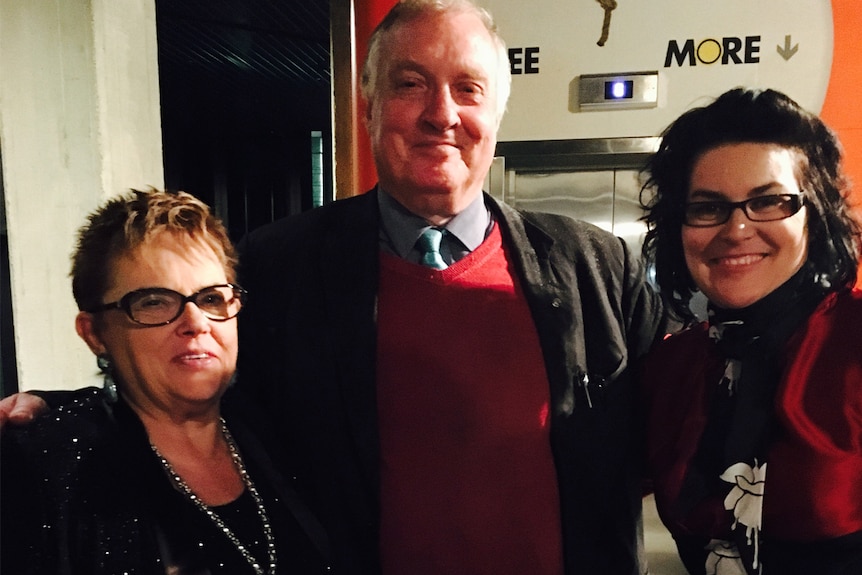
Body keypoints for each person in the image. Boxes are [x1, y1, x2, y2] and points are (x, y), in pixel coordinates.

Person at [234, 1, 670, 574]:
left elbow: (670, 441)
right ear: (369, 106)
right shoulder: (274, 269)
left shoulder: (600, 268)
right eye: (411, 83)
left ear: (497, 114)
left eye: (468, 89)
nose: (441, 115)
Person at [1, 189, 331, 574]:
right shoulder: (47, 468)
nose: (195, 324)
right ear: (94, 333)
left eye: (211, 298)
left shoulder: (277, 432)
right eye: (154, 301)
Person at [639, 87, 862, 574]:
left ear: (815, 215)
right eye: (707, 207)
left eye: (769, 202)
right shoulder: (671, 368)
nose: (736, 229)